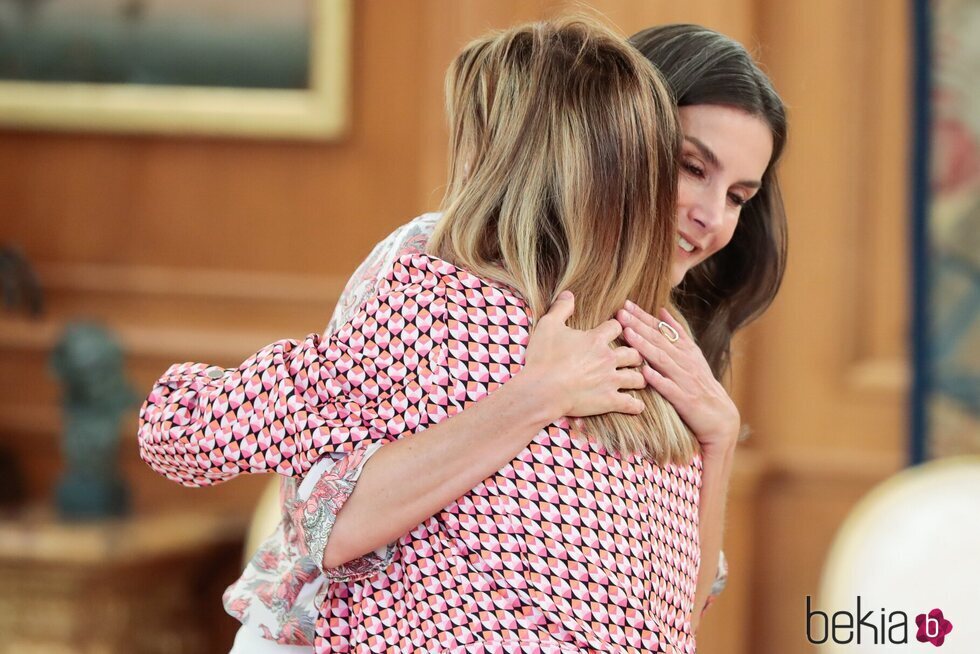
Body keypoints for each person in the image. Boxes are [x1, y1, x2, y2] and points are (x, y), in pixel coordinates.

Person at [139, 18, 786, 654]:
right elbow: (323, 522)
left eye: (738, 195)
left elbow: (672, 613)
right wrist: (538, 394)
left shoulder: (662, 336)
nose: (711, 217)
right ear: (615, 143)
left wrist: (719, 436)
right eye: (691, 167)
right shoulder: (445, 272)